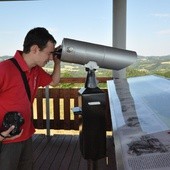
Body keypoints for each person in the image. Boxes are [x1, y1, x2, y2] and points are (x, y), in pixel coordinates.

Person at [0, 27, 61, 170]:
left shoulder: (36, 70)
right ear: (35, 49)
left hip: (26, 135)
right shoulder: (4, 69)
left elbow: (54, 82)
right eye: (49, 53)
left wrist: (58, 63)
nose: (51, 58)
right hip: (6, 140)